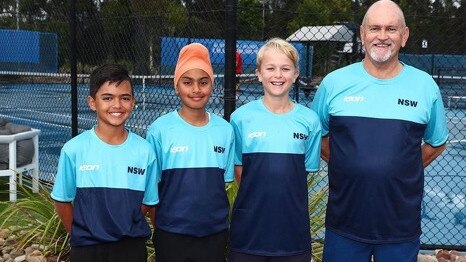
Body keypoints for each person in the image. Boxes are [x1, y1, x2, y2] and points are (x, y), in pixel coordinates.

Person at [311, 1, 449, 261]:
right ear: (363, 33)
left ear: (404, 36)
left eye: (391, 29)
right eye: (375, 28)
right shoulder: (334, 84)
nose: (382, 36)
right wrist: (346, 163)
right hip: (344, 223)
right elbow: (319, 136)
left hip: (400, 226)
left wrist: (402, 167)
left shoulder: (425, 86)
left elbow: (436, 142)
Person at [51, 64, 159, 262]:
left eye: (124, 98)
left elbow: (148, 201)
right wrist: (80, 234)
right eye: (107, 98)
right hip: (87, 249)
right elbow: (62, 199)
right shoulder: (74, 149)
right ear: (92, 102)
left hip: (131, 248)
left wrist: (125, 222)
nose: (117, 105)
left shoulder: (145, 151)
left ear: (133, 102)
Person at [229, 38, 322, 262]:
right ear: (259, 73)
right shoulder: (240, 119)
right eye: (270, 68)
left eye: (285, 69)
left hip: (292, 235)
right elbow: (240, 171)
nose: (278, 75)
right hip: (248, 234)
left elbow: (304, 171)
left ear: (296, 74)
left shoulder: (309, 121)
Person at [146, 43, 235, 262]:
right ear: (177, 86)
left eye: (203, 82)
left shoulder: (225, 130)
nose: (196, 89)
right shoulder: (160, 130)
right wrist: (165, 226)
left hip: (214, 233)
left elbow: (222, 183)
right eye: (187, 82)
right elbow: (152, 187)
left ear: (211, 85)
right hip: (171, 234)